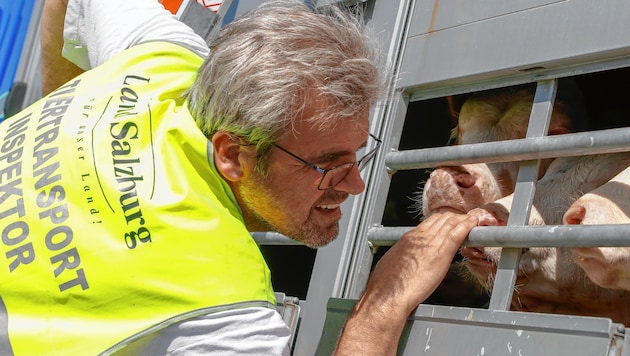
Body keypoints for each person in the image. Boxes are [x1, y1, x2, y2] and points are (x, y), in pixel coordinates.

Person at [0, 0, 478, 354]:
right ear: (231, 155)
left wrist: (65, 108)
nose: (355, 184)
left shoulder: (164, 57)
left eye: (358, 153)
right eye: (327, 163)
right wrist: (379, 311)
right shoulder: (223, 311)